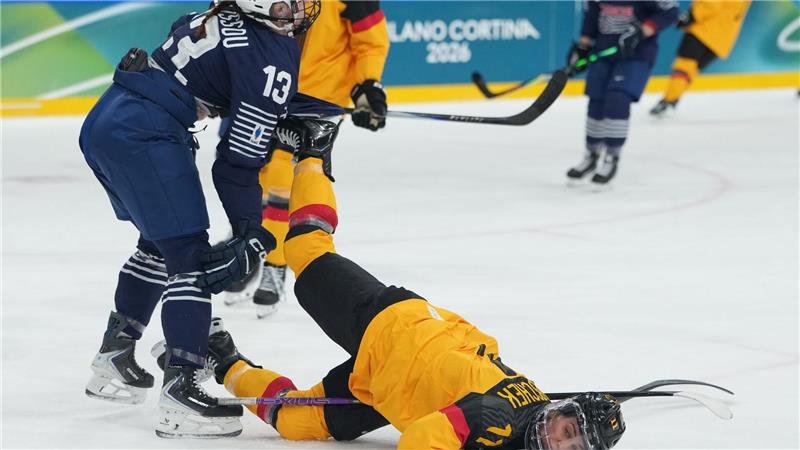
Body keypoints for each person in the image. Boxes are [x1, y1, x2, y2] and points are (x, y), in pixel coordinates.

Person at [160, 116, 627, 449]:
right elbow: (420, 440)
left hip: (387, 389)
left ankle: (223, 355)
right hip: (391, 329)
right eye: (567, 430)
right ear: (561, 410)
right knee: (305, 249)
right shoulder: (496, 419)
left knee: (296, 422)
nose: (559, 442)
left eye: (573, 447)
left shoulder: (524, 419)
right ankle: (314, 154)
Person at [79, 0, 321, 438]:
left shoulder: (219, 13)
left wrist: (286, 109)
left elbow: (233, 81)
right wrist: (250, 231)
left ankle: (115, 353)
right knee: (190, 259)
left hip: (110, 120)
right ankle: (181, 392)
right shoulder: (270, 53)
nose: (301, 6)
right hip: (146, 134)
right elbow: (236, 166)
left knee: (159, 244)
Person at [221, 0, 390, 318]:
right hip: (270, 88)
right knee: (254, 171)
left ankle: (275, 264)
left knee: (283, 175)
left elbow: (370, 39)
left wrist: (368, 87)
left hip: (320, 98)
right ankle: (251, 243)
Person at [565, 0, 679, 185]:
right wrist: (583, 46)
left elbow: (670, 11)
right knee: (596, 101)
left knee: (618, 99)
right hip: (603, 52)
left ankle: (611, 156)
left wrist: (642, 31)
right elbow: (592, 14)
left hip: (636, 55)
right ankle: (591, 155)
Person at [650, 0, 750, 116]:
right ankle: (673, 97)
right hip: (723, 39)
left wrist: (691, 15)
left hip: (703, 30)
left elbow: (711, 4)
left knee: (683, 67)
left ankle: (669, 99)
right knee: (692, 70)